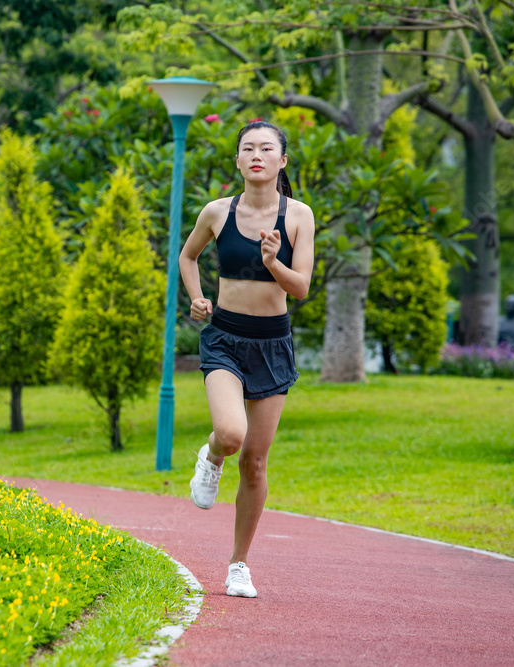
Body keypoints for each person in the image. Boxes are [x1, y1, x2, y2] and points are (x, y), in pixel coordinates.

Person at [178, 120, 315, 598]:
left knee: (255, 463)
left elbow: (301, 289)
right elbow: (188, 256)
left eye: (266, 148)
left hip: (273, 344)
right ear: (238, 161)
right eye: (247, 148)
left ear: (281, 161)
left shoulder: (298, 216)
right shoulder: (216, 212)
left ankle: (239, 565)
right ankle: (211, 454)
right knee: (232, 435)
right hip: (225, 338)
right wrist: (197, 298)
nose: (256, 155)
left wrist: (275, 261)